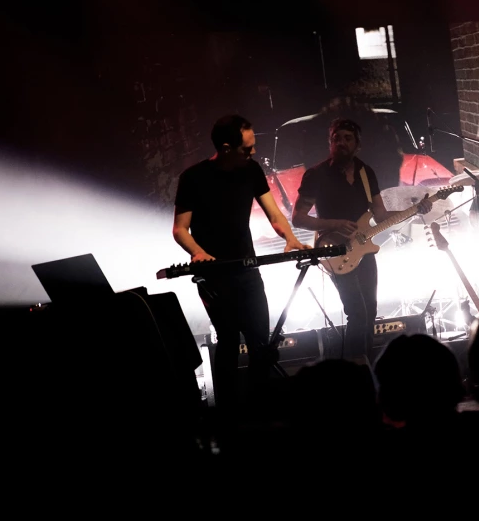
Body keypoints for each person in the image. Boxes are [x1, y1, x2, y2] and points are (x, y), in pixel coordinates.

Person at [172, 114, 309, 443]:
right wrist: (198, 252)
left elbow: (275, 213)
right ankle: (230, 421)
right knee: (228, 341)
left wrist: (290, 238)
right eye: (247, 149)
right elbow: (180, 229)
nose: (253, 154)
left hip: (248, 271)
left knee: (261, 342)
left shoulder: (251, 170)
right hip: (214, 278)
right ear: (226, 147)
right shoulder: (193, 178)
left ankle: (259, 412)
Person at [291, 118, 433, 365]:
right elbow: (298, 218)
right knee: (357, 312)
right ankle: (356, 374)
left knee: (370, 311)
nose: (341, 143)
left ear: (358, 144)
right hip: (334, 250)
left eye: (347, 138)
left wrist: (416, 209)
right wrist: (333, 224)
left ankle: (365, 366)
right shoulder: (316, 175)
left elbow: (379, 215)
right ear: (330, 142)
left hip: (364, 249)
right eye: (336, 138)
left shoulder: (366, 173)